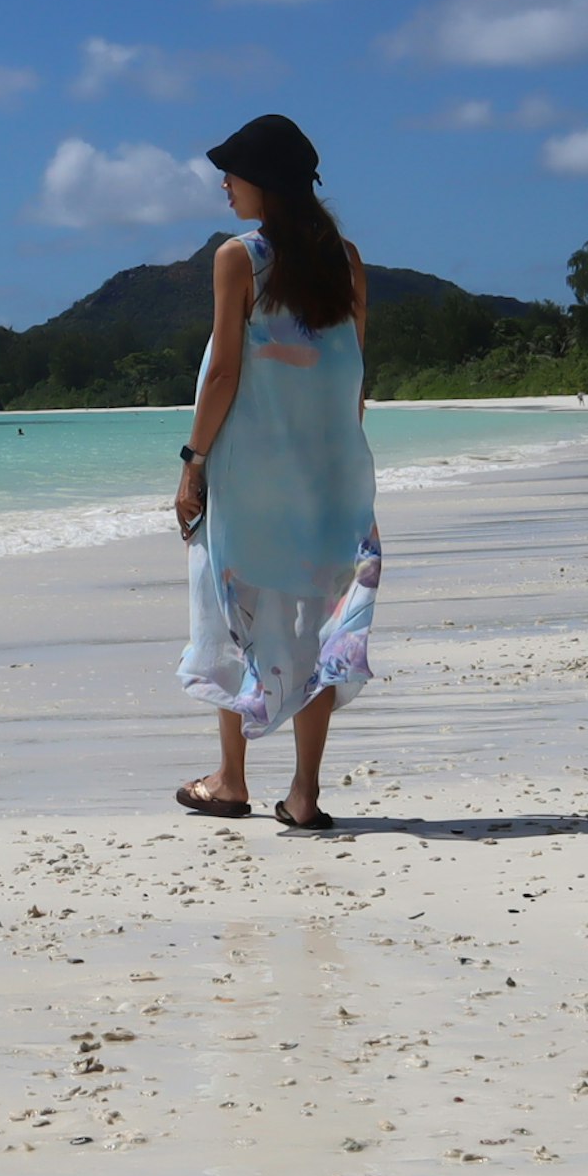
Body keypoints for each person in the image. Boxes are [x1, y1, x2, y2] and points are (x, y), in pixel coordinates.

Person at [170, 114, 378, 830]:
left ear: (265, 181)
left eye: (233, 171)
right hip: (328, 475)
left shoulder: (240, 257)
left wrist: (193, 463)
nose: (223, 183)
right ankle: (305, 794)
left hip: (250, 475)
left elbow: (224, 371)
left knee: (236, 613)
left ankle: (230, 780)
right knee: (314, 622)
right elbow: (354, 377)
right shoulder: (344, 259)